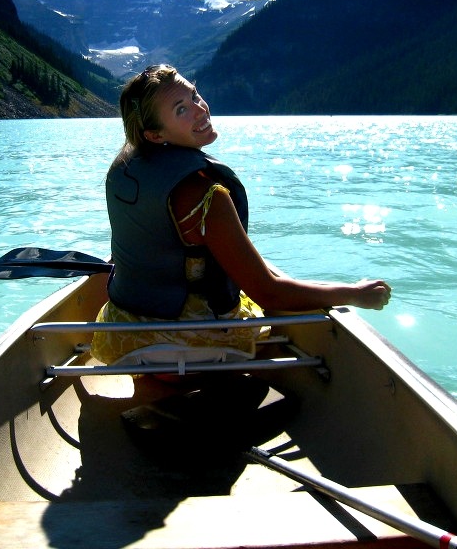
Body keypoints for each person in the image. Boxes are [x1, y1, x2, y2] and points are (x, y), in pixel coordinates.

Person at [90, 64, 392, 365]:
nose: (200, 110)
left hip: (124, 329)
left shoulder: (124, 169)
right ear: (155, 135)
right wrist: (355, 293)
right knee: (267, 341)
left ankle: (159, 382)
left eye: (194, 95)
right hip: (185, 338)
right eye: (181, 109)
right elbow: (269, 294)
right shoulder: (208, 197)